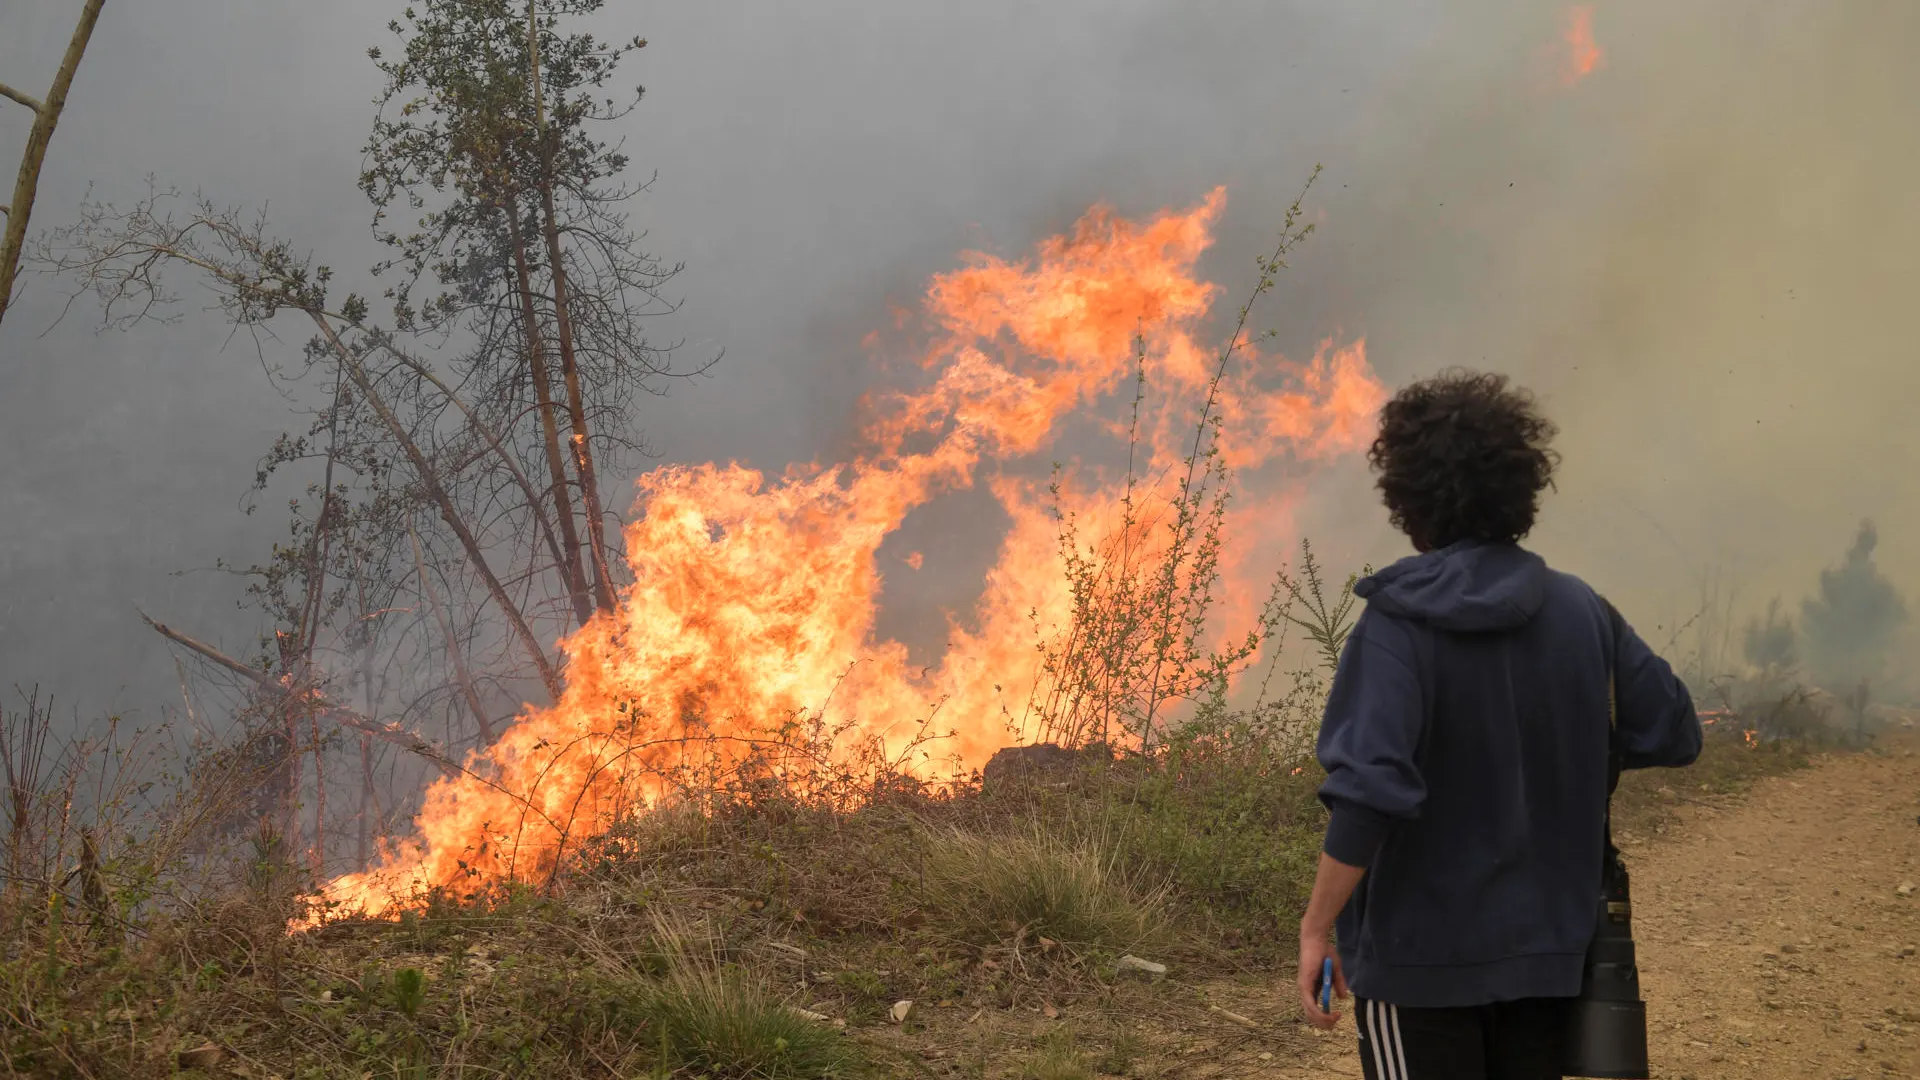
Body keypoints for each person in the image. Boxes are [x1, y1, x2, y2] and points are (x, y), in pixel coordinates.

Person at [1294, 370, 1701, 1079]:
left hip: (1418, 969)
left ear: (1406, 495)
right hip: (1547, 957)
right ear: (1521, 486)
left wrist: (1315, 927)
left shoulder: (1399, 625)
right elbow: (1673, 730)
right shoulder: (1582, 613)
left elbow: (1367, 794)